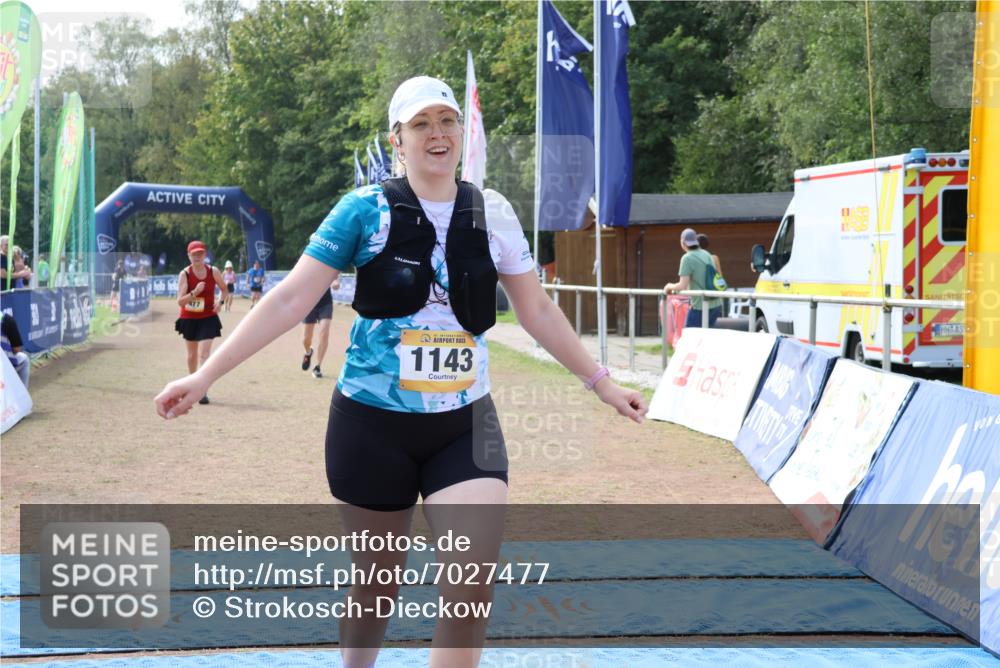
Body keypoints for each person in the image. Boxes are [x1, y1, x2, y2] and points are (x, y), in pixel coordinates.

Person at [155, 75, 647, 668]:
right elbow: (289, 300)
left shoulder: (492, 212)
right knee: (376, 588)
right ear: (398, 140)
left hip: (465, 425)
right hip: (371, 427)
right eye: (421, 124)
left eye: (446, 121)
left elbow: (536, 309)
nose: (436, 134)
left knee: (469, 588)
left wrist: (603, 383)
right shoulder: (362, 211)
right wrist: (205, 377)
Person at [173, 240, 227, 405]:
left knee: (204, 354)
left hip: (208, 317)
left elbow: (224, 289)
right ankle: (192, 385)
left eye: (200, 254)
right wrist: (194, 293)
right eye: (194, 254)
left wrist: (220, 302)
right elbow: (180, 301)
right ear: (189, 256)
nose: (197, 257)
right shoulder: (185, 274)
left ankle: (202, 390)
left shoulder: (213, 271)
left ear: (205, 255)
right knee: (192, 356)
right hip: (189, 318)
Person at [664, 228, 723, 328]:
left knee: (689, 337)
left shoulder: (687, 258)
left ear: (683, 243)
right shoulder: (707, 254)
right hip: (716, 304)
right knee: (705, 338)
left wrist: (669, 286)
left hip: (700, 306)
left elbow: (682, 285)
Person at [301, 275, 340, 378]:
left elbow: (335, 280)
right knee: (306, 339)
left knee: (324, 333)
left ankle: (317, 366)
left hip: (325, 304)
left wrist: (335, 283)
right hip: (310, 304)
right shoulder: (308, 264)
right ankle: (308, 352)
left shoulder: (330, 266)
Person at [1, 312, 30, 388]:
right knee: (25, 359)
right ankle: (22, 397)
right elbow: (17, 349)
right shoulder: (6, 319)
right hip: (3, 369)